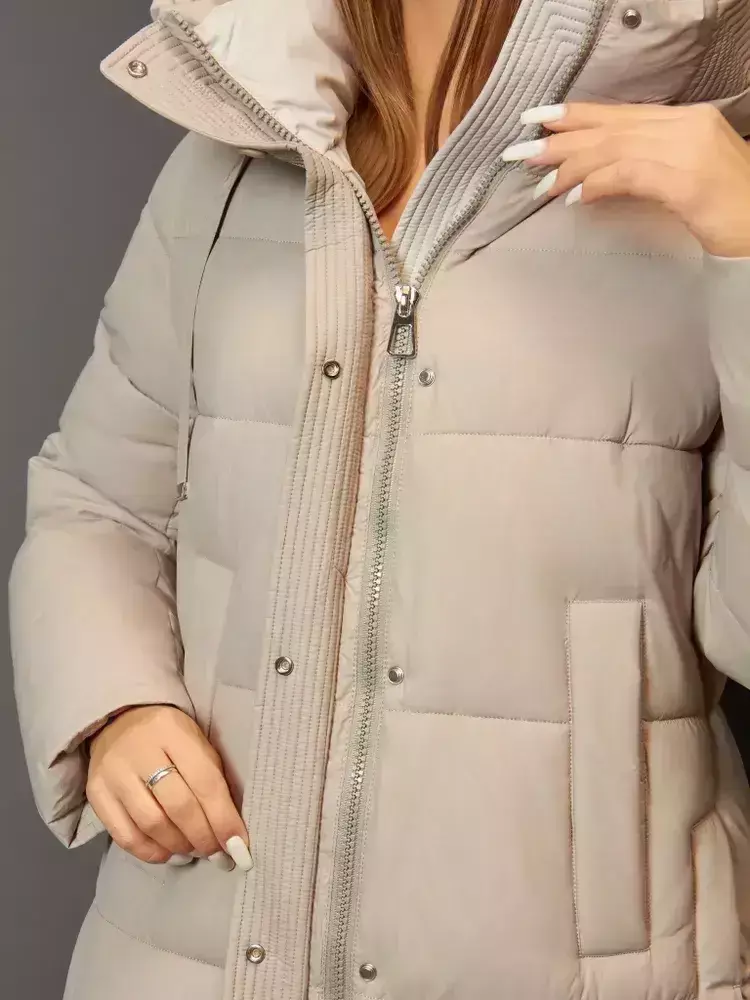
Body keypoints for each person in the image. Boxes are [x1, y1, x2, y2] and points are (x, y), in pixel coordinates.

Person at [9, 0, 750, 997]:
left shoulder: (710, 176)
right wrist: (117, 706)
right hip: (192, 953)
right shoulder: (229, 162)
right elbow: (99, 500)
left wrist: (746, 246)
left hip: (585, 965)